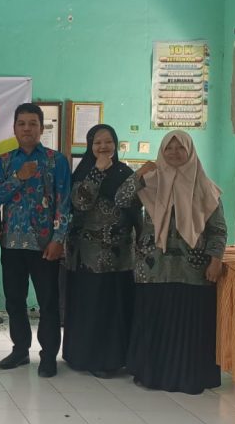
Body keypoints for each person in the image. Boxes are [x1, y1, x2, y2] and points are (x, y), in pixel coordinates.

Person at [116, 130, 226, 395]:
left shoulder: (205, 186)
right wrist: (139, 174)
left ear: (190, 152)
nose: (174, 153)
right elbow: (121, 199)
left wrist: (216, 260)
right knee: (155, 322)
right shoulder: (151, 181)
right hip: (154, 267)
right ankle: (152, 374)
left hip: (193, 269)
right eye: (169, 148)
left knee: (189, 324)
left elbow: (218, 229)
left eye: (180, 148)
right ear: (162, 151)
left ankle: (188, 376)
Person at [0, 102, 71, 378]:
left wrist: (58, 239)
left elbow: (64, 202)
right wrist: (18, 178)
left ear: (41, 128)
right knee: (15, 301)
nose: (27, 128)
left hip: (45, 245)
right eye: (21, 124)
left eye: (32, 123)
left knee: (48, 303)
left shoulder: (55, 160)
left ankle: (48, 356)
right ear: (14, 128)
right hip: (12, 244)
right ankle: (20, 350)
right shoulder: (4, 161)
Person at [63, 124, 137, 377]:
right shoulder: (83, 171)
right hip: (85, 256)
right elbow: (80, 202)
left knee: (113, 307)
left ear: (115, 144)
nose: (103, 147)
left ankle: (111, 360)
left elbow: (132, 204)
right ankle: (83, 357)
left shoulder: (125, 172)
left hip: (118, 256)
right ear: (90, 146)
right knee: (89, 307)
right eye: (97, 143)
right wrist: (97, 172)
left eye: (108, 142)